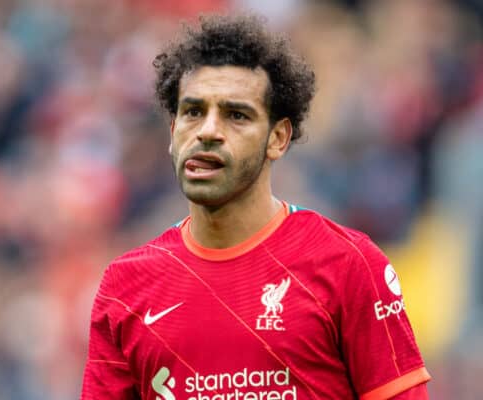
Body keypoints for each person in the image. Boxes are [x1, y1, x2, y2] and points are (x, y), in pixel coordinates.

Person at [81, 14, 430, 400]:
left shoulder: (349, 264)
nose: (208, 130)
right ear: (172, 131)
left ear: (278, 138)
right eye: (193, 112)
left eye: (236, 115)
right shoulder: (125, 286)